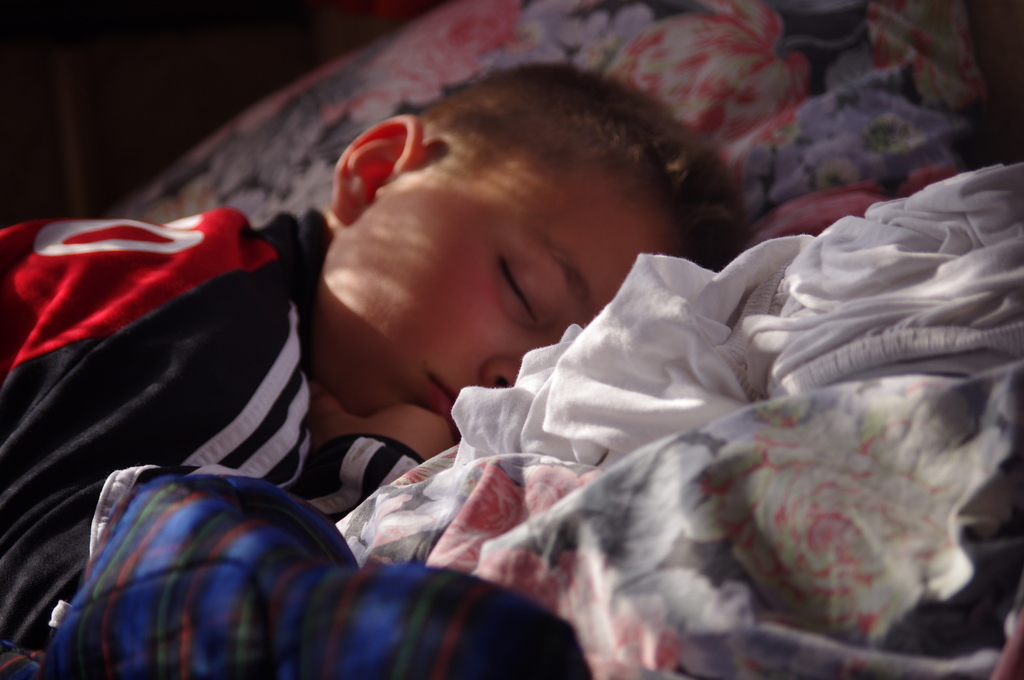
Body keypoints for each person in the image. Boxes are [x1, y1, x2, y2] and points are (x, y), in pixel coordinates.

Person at [0, 63, 748, 649]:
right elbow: (89, 612)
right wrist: (362, 468)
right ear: (378, 173)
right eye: (524, 291)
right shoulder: (229, 341)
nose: (514, 375)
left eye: (557, 364)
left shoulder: (200, 275)